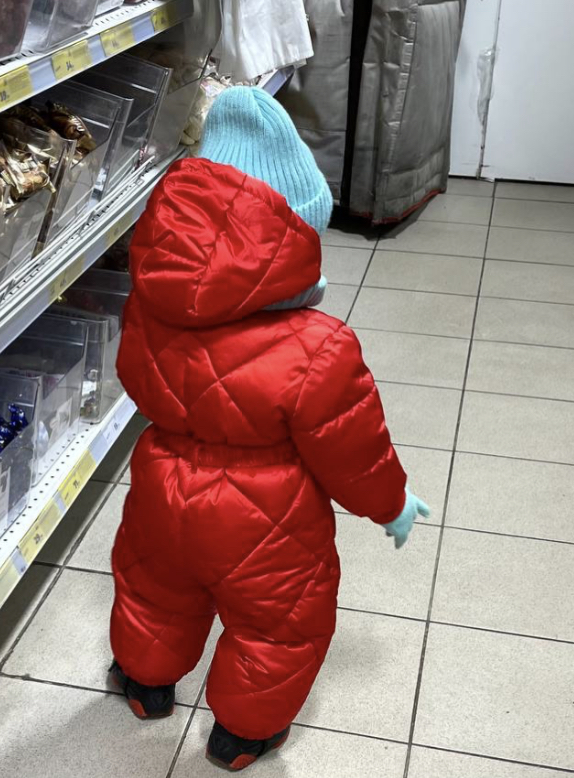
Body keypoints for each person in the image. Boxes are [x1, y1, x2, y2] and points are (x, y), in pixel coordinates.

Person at [108, 86, 429, 771]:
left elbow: (135, 378)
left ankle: (144, 682)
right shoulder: (320, 347)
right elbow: (355, 453)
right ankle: (243, 733)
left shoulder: (149, 307)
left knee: (154, 591)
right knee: (278, 626)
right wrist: (392, 505)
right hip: (267, 518)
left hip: (159, 487)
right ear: (289, 242)